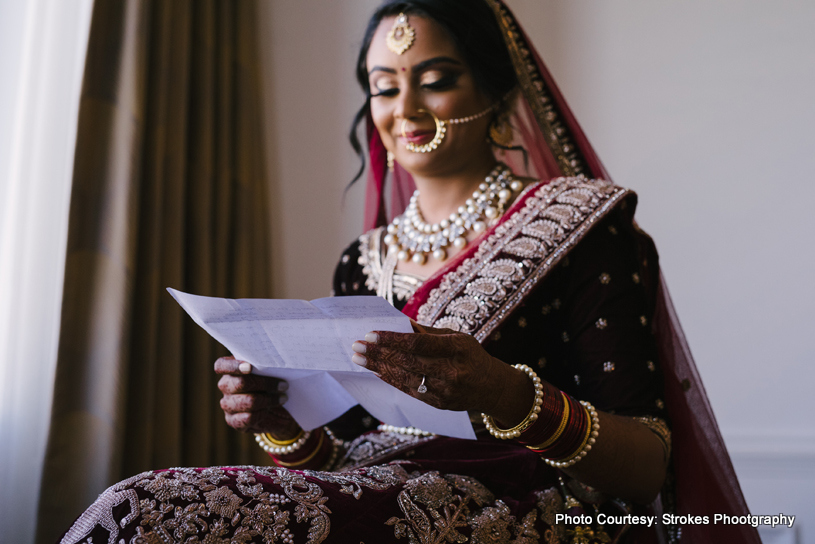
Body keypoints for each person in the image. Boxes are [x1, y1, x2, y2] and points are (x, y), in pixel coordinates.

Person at [58, 1, 760, 543]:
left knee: (145, 510)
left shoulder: (580, 225)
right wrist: (282, 428)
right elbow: (342, 466)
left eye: (436, 81)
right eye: (384, 88)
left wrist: (504, 393)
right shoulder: (364, 260)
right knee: (143, 506)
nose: (406, 111)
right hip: (382, 493)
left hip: (527, 506)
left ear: (493, 92)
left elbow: (648, 465)